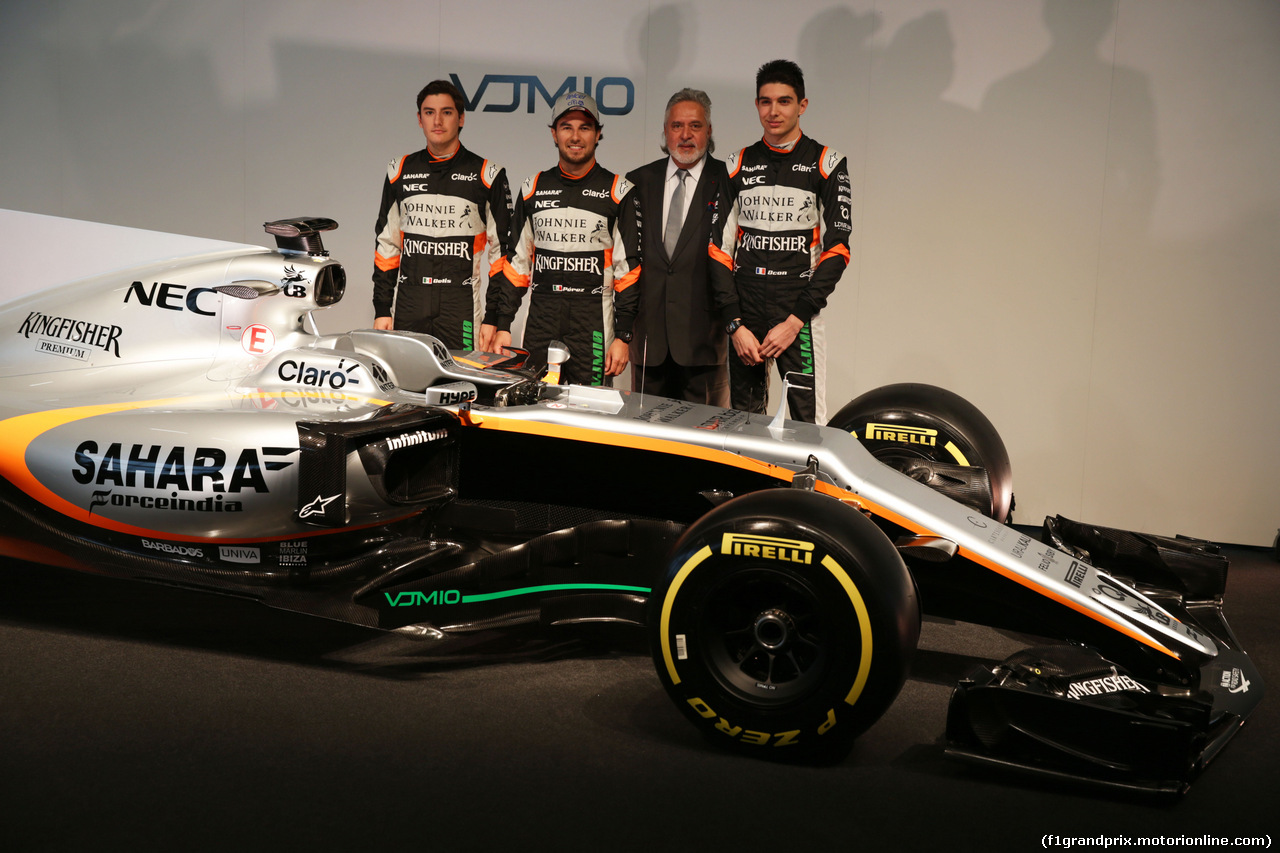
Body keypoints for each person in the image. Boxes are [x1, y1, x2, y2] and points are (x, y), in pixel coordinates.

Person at [708, 59, 852, 423]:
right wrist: (734, 325)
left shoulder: (827, 162)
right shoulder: (735, 164)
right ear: (757, 105)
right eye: (765, 101)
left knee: (806, 426)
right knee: (742, 422)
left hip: (797, 310)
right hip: (745, 310)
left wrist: (796, 320)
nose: (773, 111)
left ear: (802, 105)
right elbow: (717, 251)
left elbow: (838, 249)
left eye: (784, 101)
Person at [480, 92, 642, 386]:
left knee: (590, 416)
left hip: (593, 317)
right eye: (567, 127)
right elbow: (516, 267)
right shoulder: (532, 189)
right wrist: (503, 324)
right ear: (554, 134)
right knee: (533, 407)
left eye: (585, 127)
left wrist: (623, 335)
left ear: (598, 134)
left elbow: (628, 273)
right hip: (543, 313)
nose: (575, 136)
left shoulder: (620, 191)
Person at [371, 79, 513, 351]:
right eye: (429, 112)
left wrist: (494, 316)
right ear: (419, 119)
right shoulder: (399, 171)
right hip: (409, 303)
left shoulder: (488, 174)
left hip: (460, 305)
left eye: (447, 112)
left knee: (463, 391)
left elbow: (502, 254)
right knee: (406, 389)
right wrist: (381, 308)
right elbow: (387, 246)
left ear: (461, 119)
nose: (437, 121)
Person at [625, 89, 731, 406]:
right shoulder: (637, 182)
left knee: (704, 448)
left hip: (705, 346)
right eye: (676, 126)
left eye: (695, 126)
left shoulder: (728, 181)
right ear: (666, 130)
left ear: (708, 131)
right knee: (646, 447)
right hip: (648, 346)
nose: (685, 135)